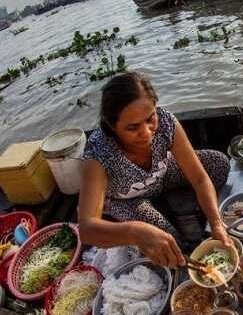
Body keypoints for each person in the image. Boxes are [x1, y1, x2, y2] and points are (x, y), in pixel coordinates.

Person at [78, 72, 231, 268]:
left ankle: (168, 200)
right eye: (133, 128)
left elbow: (200, 179)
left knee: (219, 164)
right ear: (112, 126)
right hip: (127, 198)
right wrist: (134, 231)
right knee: (168, 241)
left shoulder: (166, 123)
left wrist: (216, 223)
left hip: (161, 175)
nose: (147, 132)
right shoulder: (98, 153)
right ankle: (155, 213)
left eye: (150, 118)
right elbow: (87, 229)